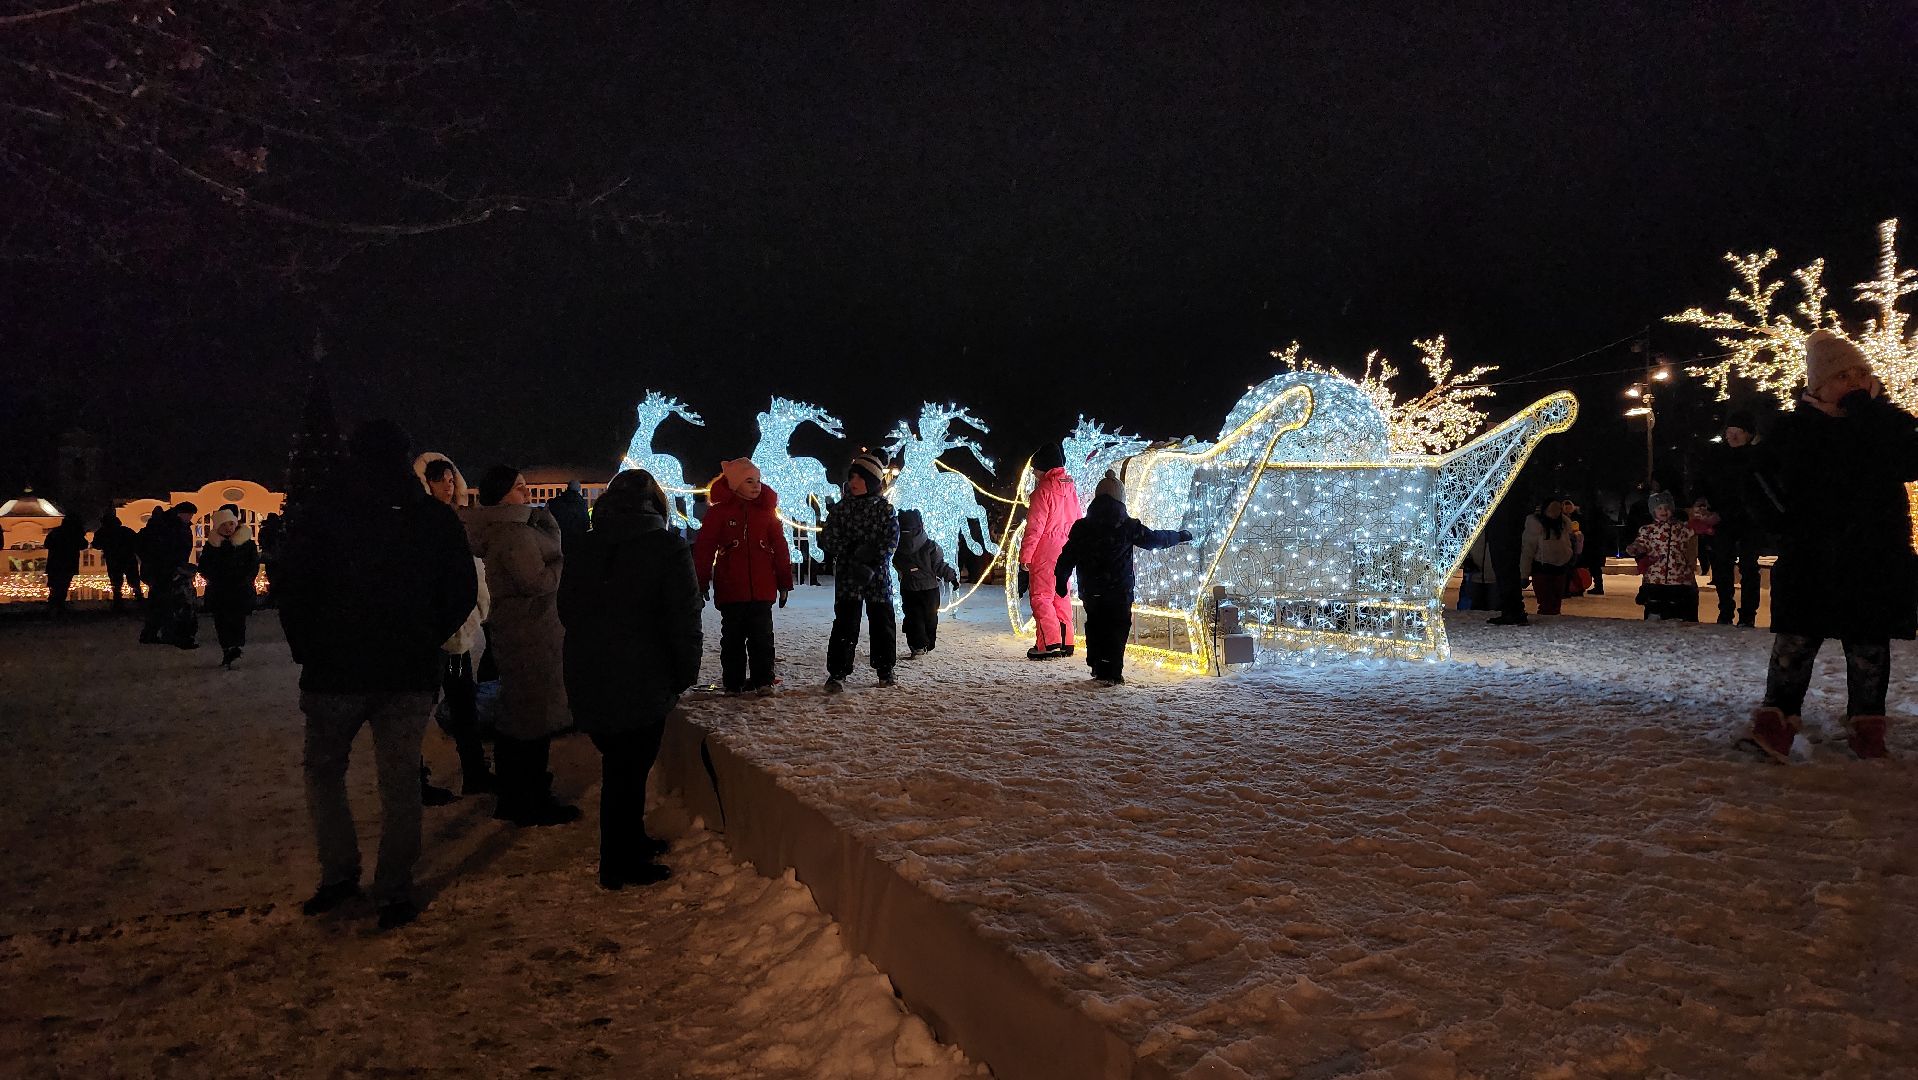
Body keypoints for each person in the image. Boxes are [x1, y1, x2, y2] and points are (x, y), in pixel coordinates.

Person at [277, 420, 478, 930]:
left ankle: (340, 875)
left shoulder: (321, 515)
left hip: (333, 670)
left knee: (325, 774)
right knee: (399, 782)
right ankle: (393, 887)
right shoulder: (431, 518)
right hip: (406, 671)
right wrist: (426, 635)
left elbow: (293, 586)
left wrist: (308, 648)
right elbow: (460, 590)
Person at [1747, 330, 1918, 762]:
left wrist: (1871, 414)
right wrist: (1781, 524)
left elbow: (1912, 461)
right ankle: (1776, 722)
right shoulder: (1793, 429)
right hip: (1812, 554)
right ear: (1817, 385)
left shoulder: (1887, 425)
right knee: (1796, 642)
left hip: (1874, 554)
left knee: (1868, 646)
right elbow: (1757, 481)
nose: (1856, 381)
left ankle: (1868, 727)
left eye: (1862, 373)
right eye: (1843, 375)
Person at [559, 470, 703, 889]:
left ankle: (630, 841)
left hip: (590, 671)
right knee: (627, 769)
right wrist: (683, 673)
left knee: (621, 763)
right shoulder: (665, 547)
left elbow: (566, 608)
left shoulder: (585, 545)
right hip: (643, 674)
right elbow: (684, 617)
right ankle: (618, 862)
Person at [467, 465, 578, 825]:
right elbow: (536, 581)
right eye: (519, 489)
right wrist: (561, 563)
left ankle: (522, 792)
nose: (527, 494)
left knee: (524, 713)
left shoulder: (516, 528)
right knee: (531, 717)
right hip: (529, 633)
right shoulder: (513, 534)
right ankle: (527, 797)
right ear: (501, 495)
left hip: (527, 631)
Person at [1054, 473, 1193, 685]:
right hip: (1119, 590)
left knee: (1095, 624)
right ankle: (1112, 671)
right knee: (1117, 627)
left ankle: (1098, 665)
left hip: (1092, 590)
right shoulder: (1128, 526)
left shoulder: (1082, 527)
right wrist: (1179, 536)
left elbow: (1067, 556)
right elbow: (1155, 539)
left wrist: (1061, 579)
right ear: (1121, 499)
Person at [414, 453, 493, 796]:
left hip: (458, 625)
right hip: (433, 630)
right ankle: (416, 778)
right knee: (420, 705)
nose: (447, 485)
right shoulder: (422, 522)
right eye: (439, 479)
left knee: (463, 700)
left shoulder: (460, 519)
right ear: (425, 484)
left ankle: (474, 769)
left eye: (450, 479)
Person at [691, 458, 792, 694]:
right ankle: (733, 682)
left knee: (762, 639)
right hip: (731, 588)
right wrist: (701, 581)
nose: (756, 486)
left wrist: (784, 582)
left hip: (762, 588)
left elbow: (780, 547)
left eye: (757, 480)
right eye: (749, 481)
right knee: (733, 639)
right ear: (734, 484)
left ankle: (763, 680)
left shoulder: (767, 513)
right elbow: (705, 549)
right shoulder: (718, 514)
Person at [818, 452, 899, 692]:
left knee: (882, 623)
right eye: (851, 476)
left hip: (878, 577)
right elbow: (829, 538)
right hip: (849, 576)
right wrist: (852, 552)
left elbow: (891, 541)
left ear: (872, 481)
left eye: (859, 477)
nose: (853, 481)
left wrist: (872, 562)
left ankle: (885, 669)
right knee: (845, 623)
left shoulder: (885, 509)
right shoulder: (842, 509)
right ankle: (838, 672)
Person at [1697, 411, 1766, 626]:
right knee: (1722, 565)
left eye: (1737, 432)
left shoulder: (1757, 459)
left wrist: (1723, 514)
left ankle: (1747, 614)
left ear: (1748, 434)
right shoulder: (1716, 457)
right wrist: (1700, 501)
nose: (1732, 436)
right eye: (1729, 432)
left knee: (1748, 566)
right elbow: (1702, 482)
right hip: (1721, 521)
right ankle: (1725, 610)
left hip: (1748, 521)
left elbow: (1753, 495)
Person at [1020, 443, 1083, 659]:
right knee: (1060, 595)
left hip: (1045, 550)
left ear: (1044, 468)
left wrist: (1026, 555)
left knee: (1041, 596)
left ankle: (1048, 643)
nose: (1033, 472)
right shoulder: (1070, 487)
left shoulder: (1042, 491)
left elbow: (1035, 528)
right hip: (1066, 548)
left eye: (1035, 468)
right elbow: (1078, 520)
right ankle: (1066, 642)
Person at [197, 508, 260, 667]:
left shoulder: (247, 543)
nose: (228, 527)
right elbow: (204, 566)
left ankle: (236, 647)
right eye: (224, 524)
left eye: (231, 524)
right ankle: (227, 649)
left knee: (238, 620)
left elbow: (253, 565)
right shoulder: (213, 545)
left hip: (239, 588)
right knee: (221, 621)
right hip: (219, 589)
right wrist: (214, 577)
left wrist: (245, 579)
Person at [894, 508, 959, 657]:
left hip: (909, 588)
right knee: (930, 617)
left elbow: (896, 564)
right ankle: (928, 642)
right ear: (921, 525)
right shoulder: (930, 546)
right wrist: (952, 578)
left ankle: (917, 645)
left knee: (912, 616)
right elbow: (939, 565)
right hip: (929, 589)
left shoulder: (897, 547)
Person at [1625, 492, 1699, 621]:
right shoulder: (1648, 530)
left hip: (1678, 576)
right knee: (1655, 603)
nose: (1664, 511)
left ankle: (1676, 616)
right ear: (1653, 511)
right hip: (1655, 576)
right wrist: (1635, 548)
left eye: (1667, 507)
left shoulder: (1680, 528)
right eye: (1659, 508)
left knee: (1676, 605)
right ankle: (1654, 615)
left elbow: (1696, 528)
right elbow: (1642, 543)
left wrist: (1704, 522)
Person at [139, 503, 198, 647]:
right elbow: (169, 550)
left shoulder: (166, 525)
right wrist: (175, 566)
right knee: (173, 603)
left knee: (159, 602)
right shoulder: (171, 527)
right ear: (181, 513)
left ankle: (151, 633)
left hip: (162, 570)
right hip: (168, 570)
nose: (191, 517)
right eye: (189, 514)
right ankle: (172, 635)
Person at [1518, 496, 1577, 616]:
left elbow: (1566, 544)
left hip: (1557, 568)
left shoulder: (1563, 524)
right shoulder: (1538, 525)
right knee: (1547, 604)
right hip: (1543, 568)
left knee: (1554, 604)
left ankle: (1551, 627)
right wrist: (1524, 574)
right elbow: (1528, 550)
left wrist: (1568, 556)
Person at [91, 511, 143, 609]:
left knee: (116, 581)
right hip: (128, 558)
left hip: (113, 559)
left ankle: (118, 600)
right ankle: (138, 597)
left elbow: (96, 545)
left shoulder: (102, 532)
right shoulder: (126, 530)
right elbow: (136, 542)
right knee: (133, 579)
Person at [42, 516, 89, 617]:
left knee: (54, 585)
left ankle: (53, 606)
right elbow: (84, 545)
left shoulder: (55, 532)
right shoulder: (75, 533)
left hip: (54, 563)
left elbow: (46, 544)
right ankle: (59, 606)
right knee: (63, 586)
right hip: (69, 563)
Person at [545, 479, 591, 557]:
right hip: (577, 538)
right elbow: (585, 520)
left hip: (561, 537)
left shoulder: (558, 501)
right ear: (579, 489)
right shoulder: (581, 503)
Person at [256, 512, 285, 608]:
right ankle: (275, 599)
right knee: (276, 578)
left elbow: (261, 542)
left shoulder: (265, 531)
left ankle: (272, 599)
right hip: (278, 557)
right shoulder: (279, 532)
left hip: (270, 557)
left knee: (272, 577)